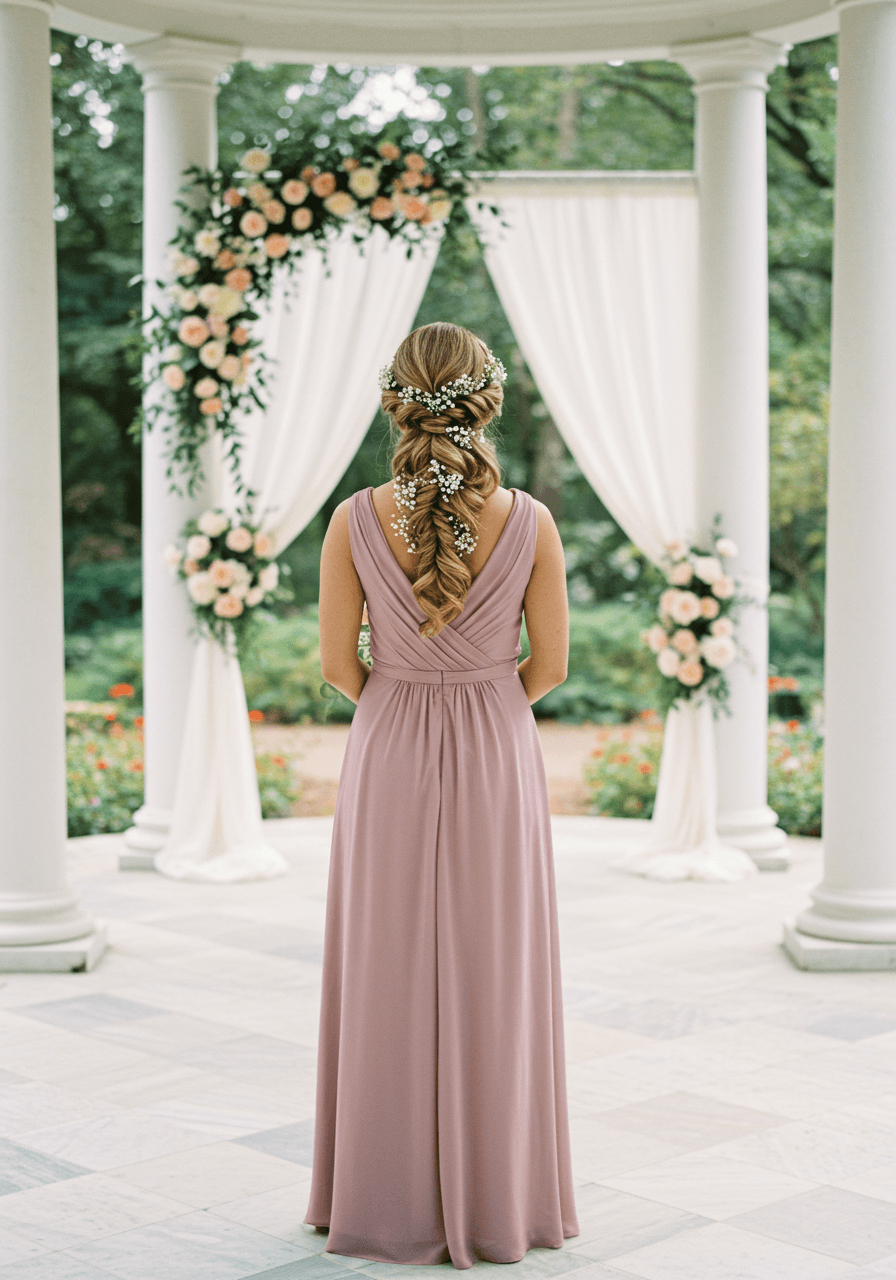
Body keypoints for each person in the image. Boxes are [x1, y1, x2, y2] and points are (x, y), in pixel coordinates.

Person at [304, 321, 579, 1269]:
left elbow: (340, 665)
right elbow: (552, 667)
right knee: (495, 965)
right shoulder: (534, 521)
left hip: (389, 745)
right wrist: (481, 695)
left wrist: (411, 692)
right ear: (486, 402)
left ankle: (377, 1200)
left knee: (381, 962)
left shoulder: (351, 520)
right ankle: (498, 1197)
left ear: (395, 402)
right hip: (498, 745)